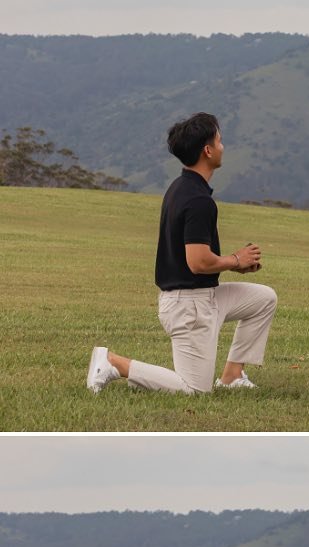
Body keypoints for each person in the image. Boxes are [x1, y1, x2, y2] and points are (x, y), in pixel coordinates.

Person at [86, 111, 277, 396]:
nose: (224, 147)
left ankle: (232, 376)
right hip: (189, 307)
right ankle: (113, 363)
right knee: (195, 390)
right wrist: (236, 260)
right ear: (208, 150)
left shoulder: (181, 187)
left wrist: (233, 266)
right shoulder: (198, 200)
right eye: (220, 141)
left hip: (203, 296)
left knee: (263, 299)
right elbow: (198, 262)